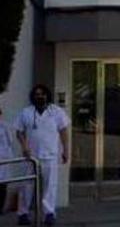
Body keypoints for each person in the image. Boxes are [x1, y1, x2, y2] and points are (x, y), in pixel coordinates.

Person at [14, 85, 69, 226]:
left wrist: (66, 150)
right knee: (26, 185)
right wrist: (24, 146)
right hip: (31, 156)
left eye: (43, 94)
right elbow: (19, 132)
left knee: (50, 186)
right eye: (37, 94)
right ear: (33, 96)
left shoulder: (56, 112)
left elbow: (63, 131)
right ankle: (23, 214)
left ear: (47, 95)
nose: (40, 96)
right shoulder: (26, 112)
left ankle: (49, 214)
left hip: (50, 155)